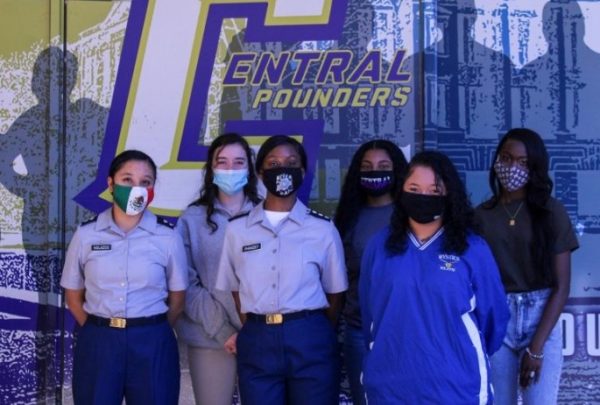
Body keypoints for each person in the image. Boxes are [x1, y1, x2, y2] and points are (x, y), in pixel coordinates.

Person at [359, 151, 509, 404]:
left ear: (449, 194)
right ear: (401, 191)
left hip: (456, 387)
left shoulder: (472, 248)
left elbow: (494, 318)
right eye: (414, 188)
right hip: (389, 386)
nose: (423, 197)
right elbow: (369, 314)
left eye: (434, 190)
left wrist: (456, 352)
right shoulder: (379, 246)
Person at [216, 135, 348, 405]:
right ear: (261, 172)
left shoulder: (322, 229)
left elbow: (335, 295)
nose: (282, 169)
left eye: (290, 163)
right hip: (258, 338)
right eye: (273, 163)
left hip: (310, 336)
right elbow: (235, 289)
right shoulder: (237, 229)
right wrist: (257, 326)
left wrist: (310, 327)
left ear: (301, 172)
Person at [60, 150, 188, 404]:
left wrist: (148, 328)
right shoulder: (86, 235)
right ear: (111, 184)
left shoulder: (168, 237)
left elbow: (178, 299)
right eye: (127, 180)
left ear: (152, 189)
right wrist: (102, 331)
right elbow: (73, 297)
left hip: (152, 340)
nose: (136, 188)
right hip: (99, 340)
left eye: (145, 182)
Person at [475, 128, 579, 404]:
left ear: (535, 168)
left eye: (522, 163)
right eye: (506, 158)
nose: (512, 168)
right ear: (496, 161)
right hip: (499, 319)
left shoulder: (551, 211)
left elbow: (561, 287)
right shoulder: (481, 216)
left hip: (540, 317)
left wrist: (536, 348)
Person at [175, 133, 261, 405]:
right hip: (210, 336)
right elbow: (185, 283)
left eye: (238, 162)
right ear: (211, 169)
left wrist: (253, 331)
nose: (230, 169)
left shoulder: (266, 216)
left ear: (250, 167)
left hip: (262, 337)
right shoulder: (191, 219)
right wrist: (225, 331)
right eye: (222, 162)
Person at [333, 139, 407, 405]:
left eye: (383, 166)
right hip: (359, 331)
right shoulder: (348, 218)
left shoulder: (411, 215)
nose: (375, 171)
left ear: (397, 170)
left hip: (406, 331)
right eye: (367, 166)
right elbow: (339, 282)